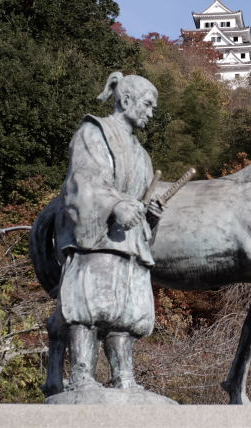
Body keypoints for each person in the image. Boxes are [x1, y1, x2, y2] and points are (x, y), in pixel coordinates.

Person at [55, 72, 163, 390]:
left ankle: (123, 375)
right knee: (90, 307)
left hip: (129, 242)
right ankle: (81, 374)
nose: (151, 112)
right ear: (126, 100)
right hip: (99, 236)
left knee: (126, 314)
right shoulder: (94, 131)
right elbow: (84, 180)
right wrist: (115, 205)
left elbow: (140, 204)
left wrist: (151, 217)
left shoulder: (142, 154)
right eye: (147, 104)